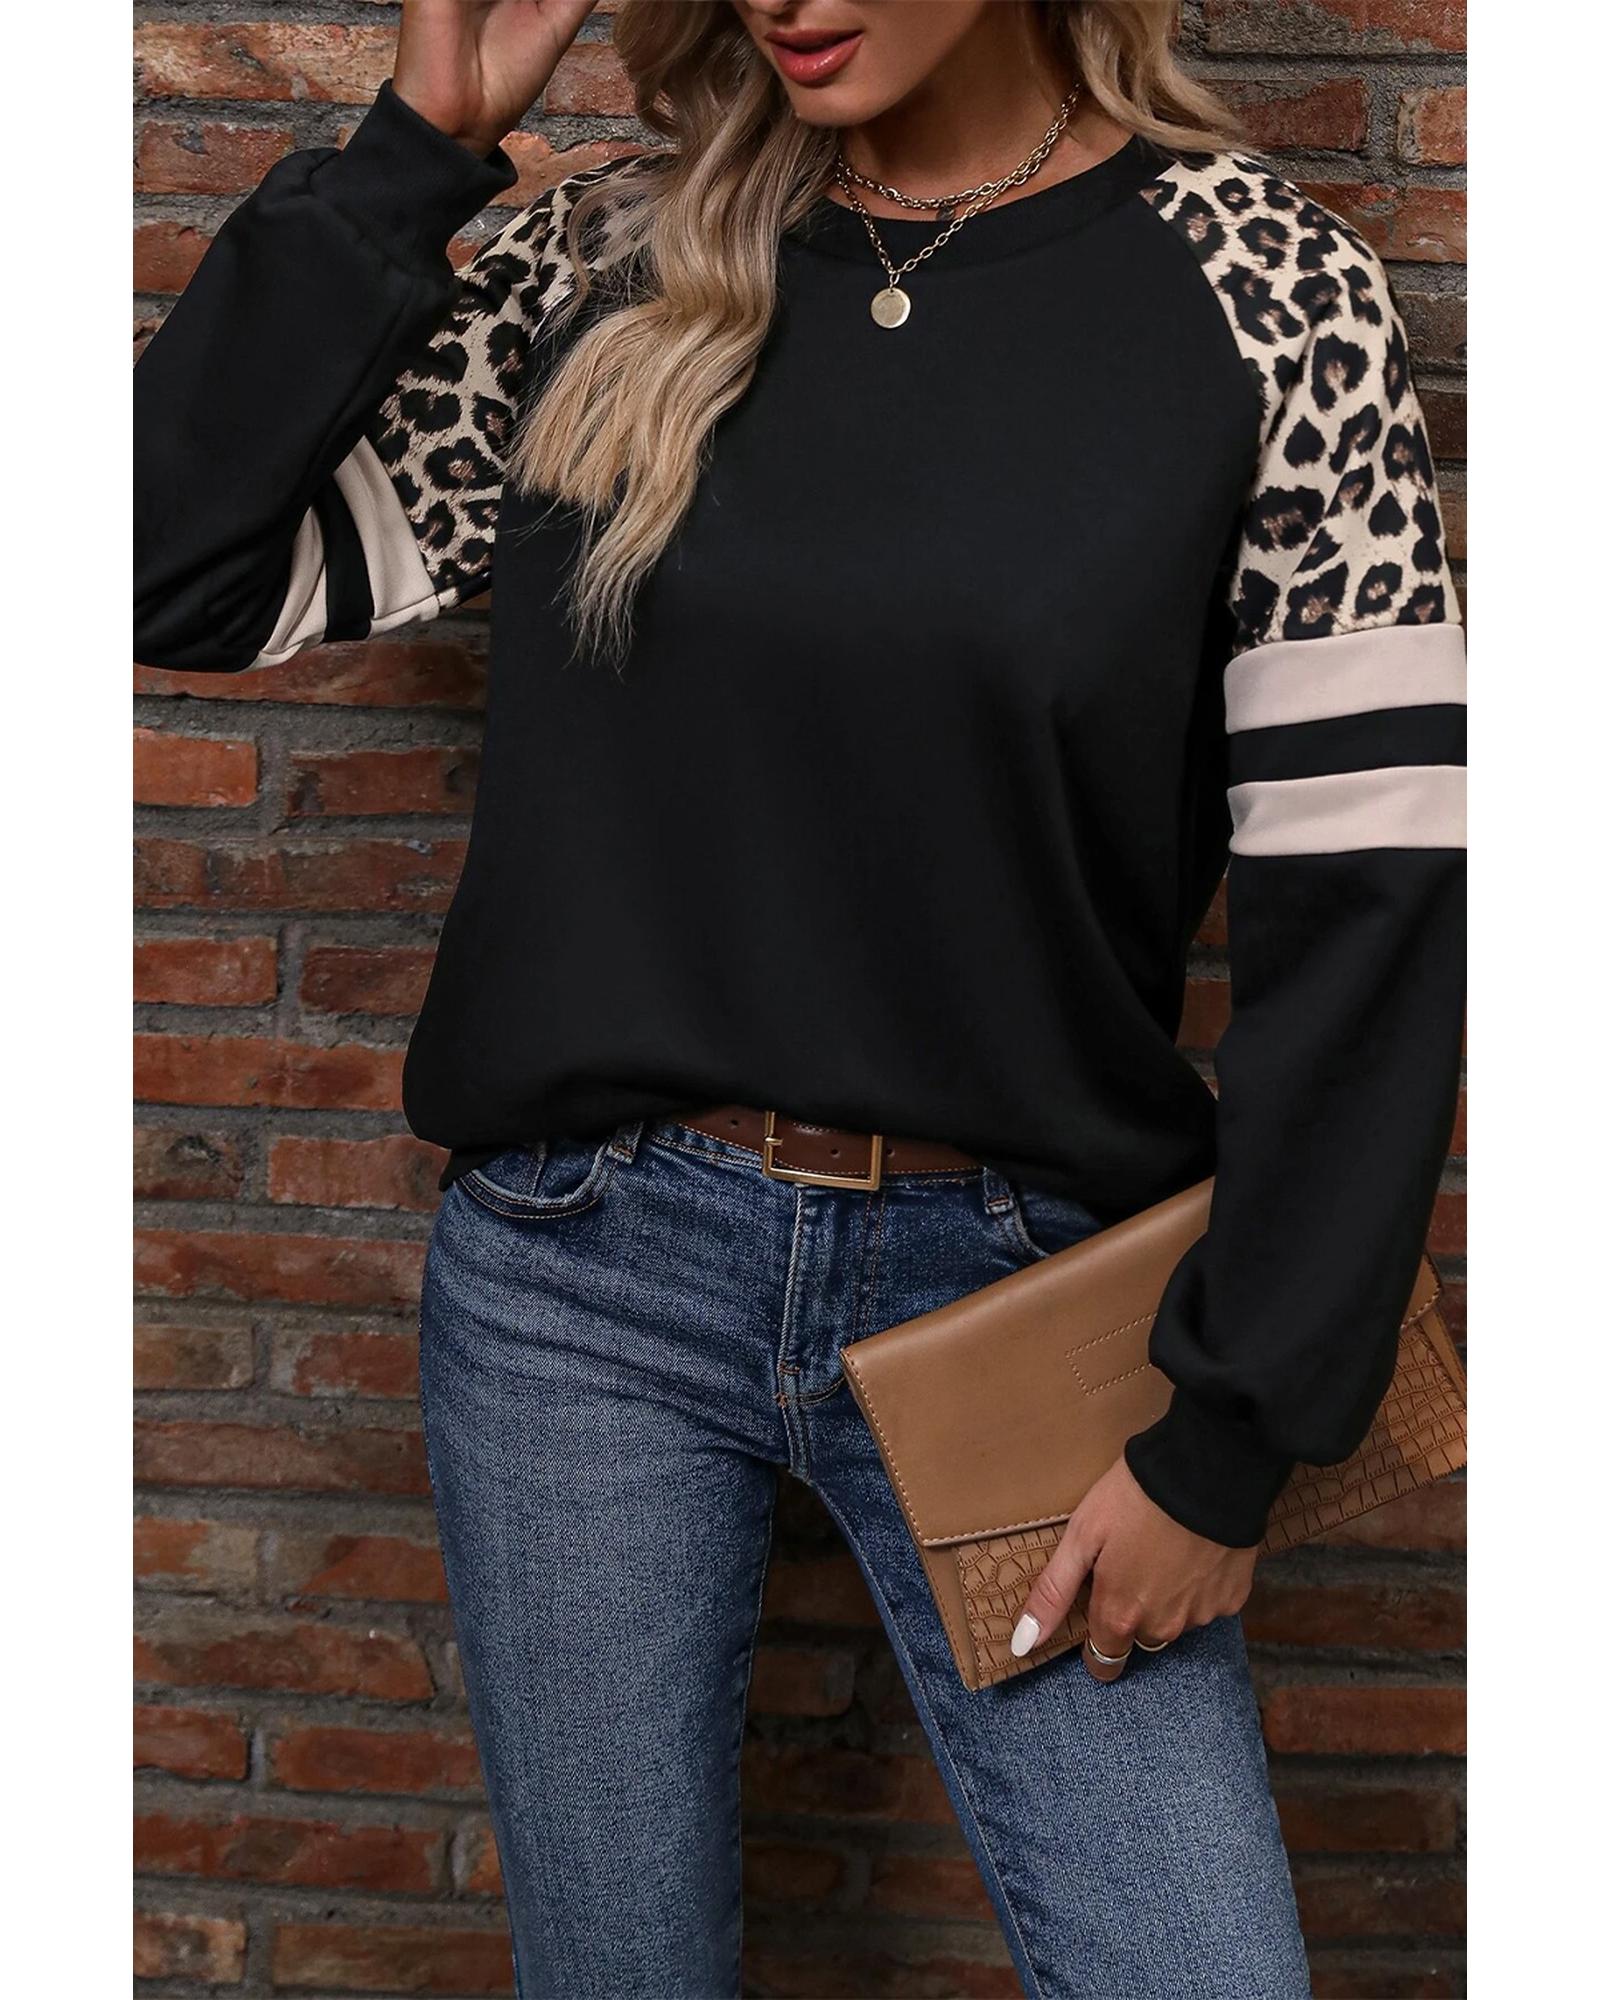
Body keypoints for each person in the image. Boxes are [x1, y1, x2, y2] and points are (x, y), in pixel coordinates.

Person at [133, 2, 1466, 1993]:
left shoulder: (1263, 290)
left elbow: (1369, 908)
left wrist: (1230, 1439)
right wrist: (417, 142)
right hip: (581, 1284)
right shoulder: (613, 257)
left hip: (1023, 1290)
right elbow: (163, 565)